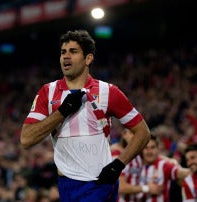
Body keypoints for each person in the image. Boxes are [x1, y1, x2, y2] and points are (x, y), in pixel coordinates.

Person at [20, 29, 151, 202]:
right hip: (66, 184)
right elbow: (26, 139)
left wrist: (118, 164)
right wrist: (62, 112)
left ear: (88, 58)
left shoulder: (108, 92)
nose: (66, 56)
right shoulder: (47, 92)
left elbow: (143, 132)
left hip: (99, 184)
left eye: (73, 52)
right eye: (63, 52)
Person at [118, 134, 190, 202]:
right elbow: (120, 187)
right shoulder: (134, 163)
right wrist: (147, 188)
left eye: (153, 147)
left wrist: (194, 170)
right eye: (146, 148)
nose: (149, 152)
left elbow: (181, 172)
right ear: (141, 150)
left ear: (158, 148)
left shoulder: (164, 165)